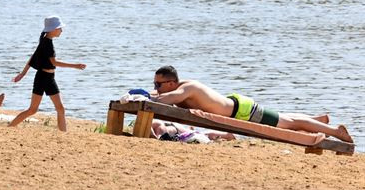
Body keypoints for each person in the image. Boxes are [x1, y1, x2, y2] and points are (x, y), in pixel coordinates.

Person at [151, 65, 353, 143]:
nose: (156, 88)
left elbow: (166, 99)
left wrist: (147, 96)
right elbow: (163, 98)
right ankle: (317, 121)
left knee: (290, 124)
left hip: (243, 112)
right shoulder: (179, 89)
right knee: (285, 119)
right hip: (237, 107)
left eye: (158, 84)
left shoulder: (187, 88)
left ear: (171, 83)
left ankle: (336, 132)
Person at [9, 16, 86, 132]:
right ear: (53, 29)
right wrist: (75, 66)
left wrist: (22, 74)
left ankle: (63, 134)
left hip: (47, 78)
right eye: (60, 28)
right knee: (36, 109)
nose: (61, 31)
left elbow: (33, 57)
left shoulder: (44, 40)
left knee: (58, 109)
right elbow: (54, 62)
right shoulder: (47, 43)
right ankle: (9, 128)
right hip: (43, 78)